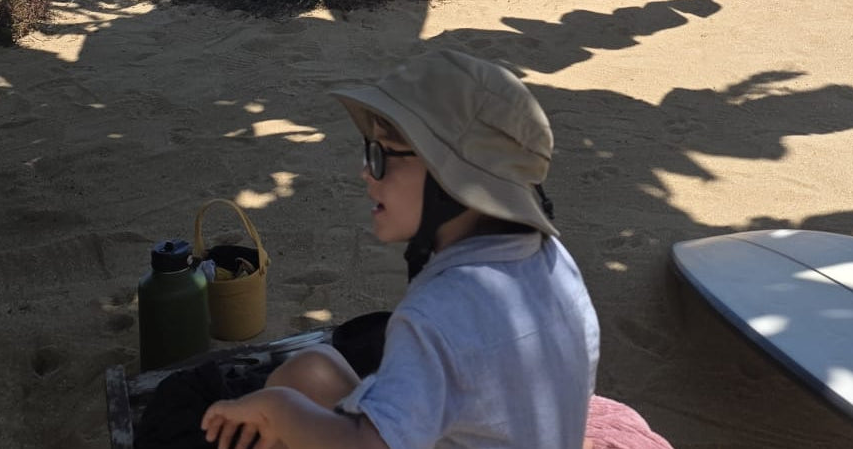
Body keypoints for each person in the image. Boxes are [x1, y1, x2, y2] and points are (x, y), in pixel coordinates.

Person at [201, 49, 599, 449]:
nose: (366, 171)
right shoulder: (553, 260)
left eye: (384, 154)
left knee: (284, 402)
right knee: (309, 371)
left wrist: (279, 412)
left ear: (451, 180)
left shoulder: (435, 314)